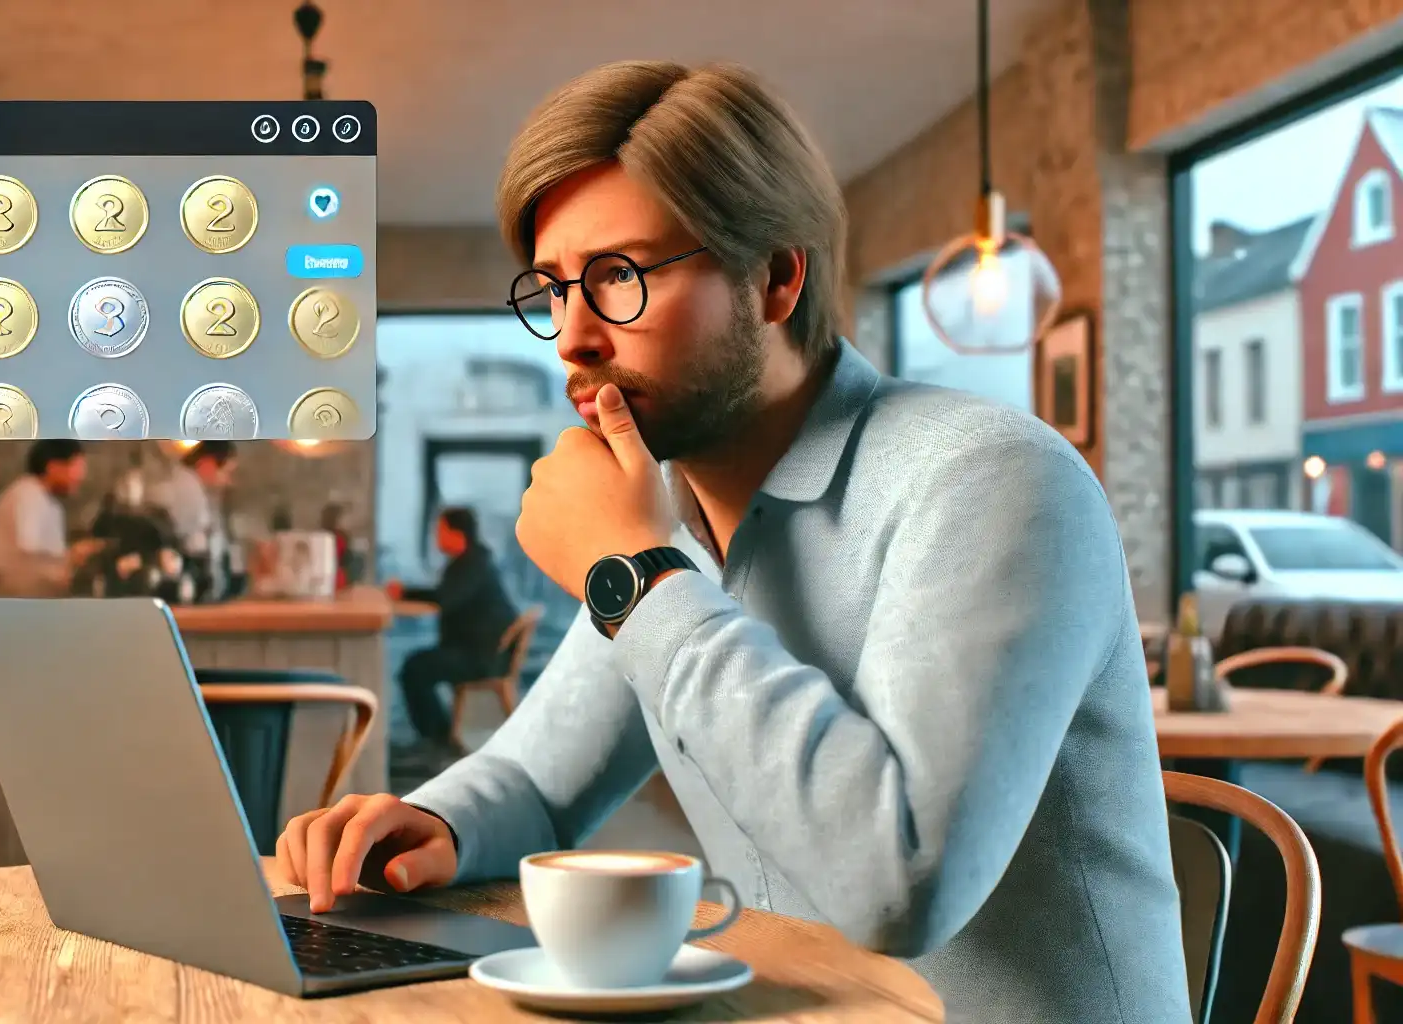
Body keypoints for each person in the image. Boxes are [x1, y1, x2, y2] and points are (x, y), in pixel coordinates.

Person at [274, 60, 1189, 1022]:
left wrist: (634, 571)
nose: (572, 338)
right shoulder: (674, 518)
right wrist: (427, 820)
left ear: (775, 278)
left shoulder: (992, 477)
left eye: (619, 277)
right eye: (552, 289)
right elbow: (540, 782)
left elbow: (900, 883)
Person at [384, 507, 519, 757]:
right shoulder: (471, 561)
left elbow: (445, 597)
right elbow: (444, 594)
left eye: (440, 532)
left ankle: (438, 740)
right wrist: (405, 593)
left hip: (481, 658)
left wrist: (405, 593)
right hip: (481, 651)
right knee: (416, 666)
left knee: (415, 670)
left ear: (456, 534)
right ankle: (440, 735)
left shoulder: (471, 565)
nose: (436, 539)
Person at [0, 439, 99, 596]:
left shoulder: (45, 499)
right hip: (21, 600)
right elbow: (29, 552)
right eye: (76, 467)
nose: (81, 476)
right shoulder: (28, 495)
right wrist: (72, 555)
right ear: (53, 467)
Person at [153, 441, 239, 597]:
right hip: (187, 571)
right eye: (225, 472)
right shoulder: (187, 489)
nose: (227, 481)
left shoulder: (193, 487)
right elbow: (185, 538)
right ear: (207, 463)